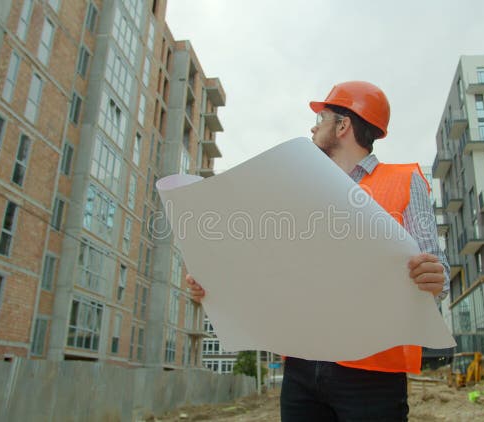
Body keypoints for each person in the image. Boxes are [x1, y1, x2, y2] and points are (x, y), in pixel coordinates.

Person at [186, 81, 449, 421]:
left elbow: (438, 281)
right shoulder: (298, 190)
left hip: (372, 373)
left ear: (343, 126)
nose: (312, 126)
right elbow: (268, 268)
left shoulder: (403, 181)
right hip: (301, 367)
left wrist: (433, 278)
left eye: (321, 118)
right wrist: (214, 281)